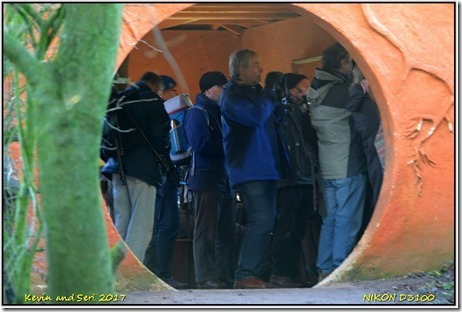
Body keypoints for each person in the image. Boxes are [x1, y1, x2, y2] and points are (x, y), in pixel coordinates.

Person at [220, 49, 288, 289]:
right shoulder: (231, 96)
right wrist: (270, 92)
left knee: (267, 223)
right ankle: (245, 274)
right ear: (241, 69)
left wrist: (279, 100)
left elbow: (273, 119)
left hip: (266, 167)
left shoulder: (254, 93)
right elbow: (256, 116)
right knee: (261, 221)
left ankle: (254, 273)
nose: (260, 69)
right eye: (256, 65)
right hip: (249, 168)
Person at [306, 42, 367, 280]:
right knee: (347, 218)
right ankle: (339, 269)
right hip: (348, 164)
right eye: (350, 62)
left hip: (328, 164)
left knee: (330, 218)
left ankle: (324, 268)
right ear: (343, 63)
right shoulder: (344, 91)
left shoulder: (315, 88)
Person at [101, 72, 170, 262]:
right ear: (156, 87)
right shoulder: (151, 100)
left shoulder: (119, 99)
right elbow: (160, 136)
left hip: (116, 168)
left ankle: (117, 274)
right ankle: (132, 274)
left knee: (122, 223)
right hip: (143, 170)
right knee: (141, 226)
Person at [183, 71, 235, 289]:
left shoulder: (221, 113)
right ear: (208, 90)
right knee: (205, 232)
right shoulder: (197, 113)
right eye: (221, 87)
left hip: (223, 180)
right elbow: (201, 145)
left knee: (226, 232)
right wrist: (229, 147)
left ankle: (224, 275)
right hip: (205, 179)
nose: (224, 91)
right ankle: (205, 277)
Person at [270, 73, 320, 288]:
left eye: (306, 89)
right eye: (299, 90)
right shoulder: (283, 112)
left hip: (305, 177)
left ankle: (289, 273)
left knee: (298, 228)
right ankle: (280, 272)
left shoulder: (303, 112)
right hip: (289, 178)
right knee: (286, 227)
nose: (303, 94)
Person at [144, 75, 188, 289]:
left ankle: (159, 274)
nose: (176, 95)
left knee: (163, 226)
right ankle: (159, 275)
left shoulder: (162, 114)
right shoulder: (159, 115)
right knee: (163, 226)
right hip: (160, 176)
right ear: (161, 92)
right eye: (172, 91)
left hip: (163, 175)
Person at [346, 67, 384, 236]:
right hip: (378, 153)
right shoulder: (365, 97)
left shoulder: (357, 97)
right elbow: (375, 129)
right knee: (382, 195)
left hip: (371, 153)